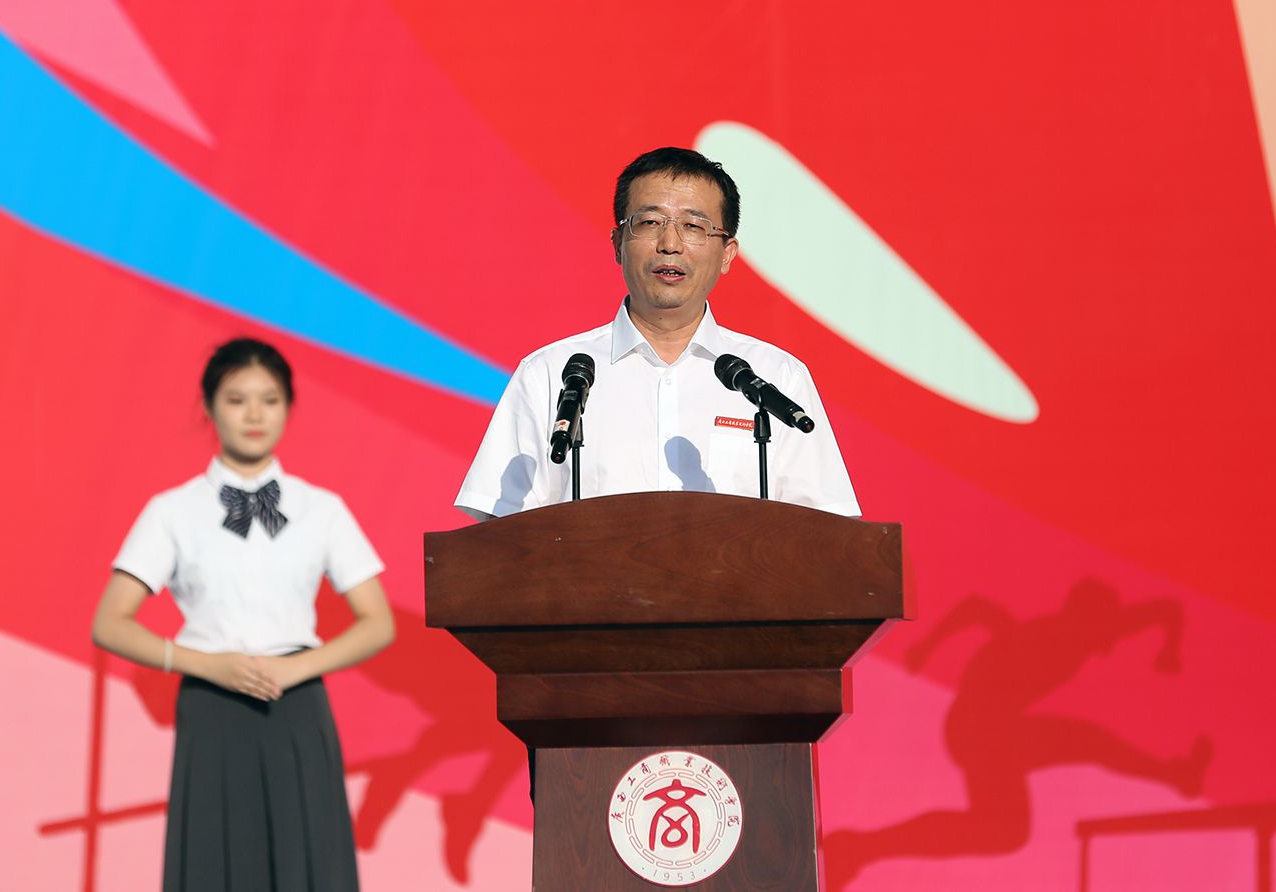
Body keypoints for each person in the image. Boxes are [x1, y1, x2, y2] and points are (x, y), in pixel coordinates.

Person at [91, 338, 395, 892]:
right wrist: (210, 666)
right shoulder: (172, 511)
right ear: (209, 407)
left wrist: (294, 668)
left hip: (297, 708)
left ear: (288, 407)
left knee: (310, 864)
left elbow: (378, 621)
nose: (255, 415)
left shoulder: (321, 508)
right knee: (217, 865)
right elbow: (110, 622)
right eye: (236, 400)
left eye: (269, 400)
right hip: (213, 708)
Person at [456, 146, 859, 519]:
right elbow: (498, 535)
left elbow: (825, 534)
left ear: (727, 254)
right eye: (649, 222)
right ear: (618, 244)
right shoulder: (548, 375)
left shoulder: (777, 377)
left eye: (693, 226)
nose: (670, 244)